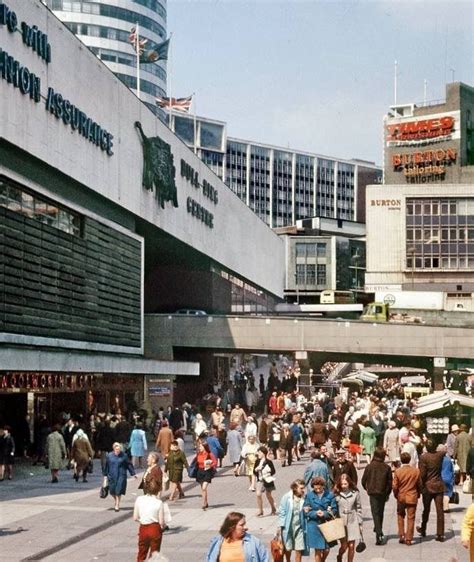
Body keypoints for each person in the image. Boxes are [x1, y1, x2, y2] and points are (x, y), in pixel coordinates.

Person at [361, 447, 392, 545]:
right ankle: (379, 528)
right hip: (382, 492)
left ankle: (378, 532)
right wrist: (387, 492)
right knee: (380, 512)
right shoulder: (386, 467)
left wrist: (367, 489)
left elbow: (363, 480)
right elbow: (389, 483)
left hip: (373, 492)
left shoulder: (369, 466)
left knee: (375, 512)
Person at [303, 476, 338, 562]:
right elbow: (306, 510)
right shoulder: (309, 496)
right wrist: (315, 513)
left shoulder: (330, 495)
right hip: (314, 525)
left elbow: (334, 509)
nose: (318, 490)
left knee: (327, 549)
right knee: (317, 550)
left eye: (319, 488)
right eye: (315, 488)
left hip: (327, 524)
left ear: (323, 486)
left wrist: (325, 513)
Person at [417, 439, 445, 542]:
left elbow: (422, 474)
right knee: (440, 510)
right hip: (438, 485)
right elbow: (444, 450)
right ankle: (440, 533)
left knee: (426, 509)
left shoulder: (423, 457)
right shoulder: (440, 455)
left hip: (428, 486)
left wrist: (420, 486)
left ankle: (423, 528)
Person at [392, 452, 421, 546]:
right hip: (412, 496)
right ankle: (409, 538)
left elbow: (395, 486)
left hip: (401, 496)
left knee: (400, 515)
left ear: (401, 460)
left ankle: (401, 535)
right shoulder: (416, 471)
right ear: (409, 460)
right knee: (411, 517)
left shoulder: (398, 471)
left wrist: (396, 494)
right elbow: (419, 484)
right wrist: (418, 494)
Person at [133, 479, 165, 562]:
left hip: (143, 528)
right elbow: (161, 522)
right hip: (155, 528)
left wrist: (143, 519)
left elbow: (135, 517)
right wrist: (164, 526)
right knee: (154, 555)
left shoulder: (139, 499)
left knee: (141, 553)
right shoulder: (159, 502)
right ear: (157, 490)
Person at [334, 474, 362, 562]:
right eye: (342, 484)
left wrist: (360, 522)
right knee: (344, 545)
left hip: (352, 520)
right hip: (341, 522)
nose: (344, 486)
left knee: (351, 546)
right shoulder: (336, 494)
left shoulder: (355, 493)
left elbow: (359, 508)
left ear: (349, 483)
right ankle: (340, 555)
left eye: (345, 484)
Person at [278, 479, 308, 562]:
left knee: (299, 549)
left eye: (304, 488)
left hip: (300, 528)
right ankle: (288, 560)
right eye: (301, 488)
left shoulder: (305, 497)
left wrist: (307, 510)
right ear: (295, 488)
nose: (303, 490)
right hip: (288, 527)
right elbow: (282, 511)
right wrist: (280, 525)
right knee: (288, 548)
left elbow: (309, 509)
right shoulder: (286, 497)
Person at [103, 442, 137, 512]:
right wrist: (105, 476)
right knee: (112, 491)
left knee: (118, 490)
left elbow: (129, 465)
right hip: (111, 476)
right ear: (114, 449)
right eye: (116, 449)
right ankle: (116, 500)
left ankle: (117, 504)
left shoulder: (124, 455)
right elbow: (106, 466)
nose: (118, 450)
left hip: (121, 475)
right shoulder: (109, 456)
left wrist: (133, 473)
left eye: (119, 449)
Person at [254, 446, 277, 517]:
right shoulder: (257, 461)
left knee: (268, 495)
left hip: (267, 480)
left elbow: (273, 471)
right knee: (258, 494)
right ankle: (260, 510)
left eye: (260, 452)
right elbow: (254, 471)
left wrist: (267, 473)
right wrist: (257, 470)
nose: (258, 454)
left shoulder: (269, 462)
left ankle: (273, 508)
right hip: (260, 480)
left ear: (263, 453)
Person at [194, 441, 217, 510]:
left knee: (204, 487)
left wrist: (210, 465)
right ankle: (205, 502)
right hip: (200, 472)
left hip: (207, 471)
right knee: (203, 489)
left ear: (204, 447)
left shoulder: (209, 454)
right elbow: (196, 462)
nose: (199, 448)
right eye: (199, 446)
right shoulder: (198, 454)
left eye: (201, 446)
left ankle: (204, 503)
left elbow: (215, 462)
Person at [437, 444, 455, 513]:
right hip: (448, 478)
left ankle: (443, 507)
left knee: (441, 493)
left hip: (440, 478)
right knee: (447, 493)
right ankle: (446, 507)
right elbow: (452, 469)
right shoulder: (448, 459)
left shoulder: (438, 460)